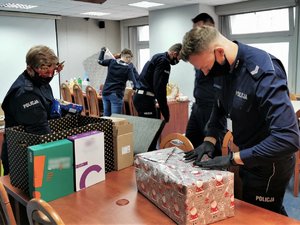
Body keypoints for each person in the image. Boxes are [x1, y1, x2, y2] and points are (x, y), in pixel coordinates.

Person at [181, 26, 300, 216]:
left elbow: (288, 139)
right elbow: (219, 106)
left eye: (205, 67)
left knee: (263, 215)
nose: (204, 74)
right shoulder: (222, 69)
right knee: (250, 209)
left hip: (269, 166)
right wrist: (210, 139)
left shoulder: (264, 72)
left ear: (219, 52)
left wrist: (232, 159)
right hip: (245, 156)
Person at [1, 45, 64, 175]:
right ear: (30, 69)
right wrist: (63, 157)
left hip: (36, 147)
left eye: (53, 71)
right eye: (46, 72)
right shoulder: (25, 93)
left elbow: (47, 109)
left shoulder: (40, 82)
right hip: (21, 156)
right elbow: (40, 132)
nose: (50, 76)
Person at [185, 13, 225, 153]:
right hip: (197, 107)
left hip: (212, 108)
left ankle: (218, 175)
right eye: (194, 29)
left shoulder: (219, 54)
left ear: (210, 28)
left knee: (213, 148)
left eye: (199, 29)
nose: (196, 33)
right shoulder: (200, 54)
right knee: (190, 145)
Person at [133, 43, 182, 151]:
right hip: (145, 99)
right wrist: (166, 111)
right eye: (179, 58)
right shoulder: (164, 62)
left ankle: (147, 154)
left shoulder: (157, 56)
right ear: (174, 53)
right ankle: (148, 157)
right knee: (151, 132)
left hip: (140, 96)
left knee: (149, 130)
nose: (179, 61)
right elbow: (159, 87)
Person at [98, 47, 139, 116]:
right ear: (128, 57)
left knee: (106, 117)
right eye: (130, 59)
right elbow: (134, 85)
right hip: (116, 95)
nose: (130, 61)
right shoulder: (128, 68)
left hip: (105, 92)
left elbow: (100, 61)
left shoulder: (112, 61)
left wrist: (102, 51)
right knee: (116, 119)